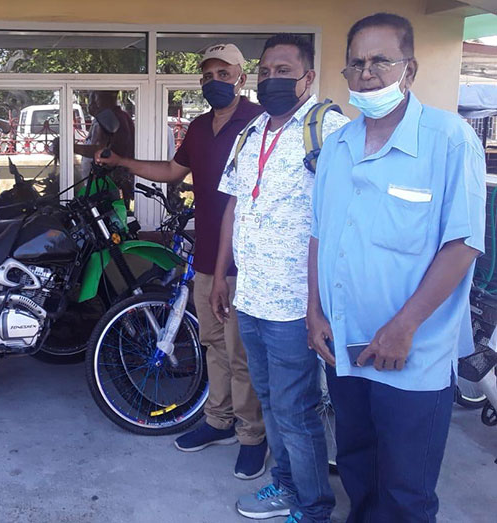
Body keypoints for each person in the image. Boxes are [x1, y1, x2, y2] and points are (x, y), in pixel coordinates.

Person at [308, 13, 485, 522]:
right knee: (359, 469)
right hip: (345, 347)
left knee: (406, 491)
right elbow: (321, 233)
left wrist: (403, 327)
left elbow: (463, 244)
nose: (367, 73)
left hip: (413, 356)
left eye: (381, 61)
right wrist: (313, 312)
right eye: (356, 64)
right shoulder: (337, 146)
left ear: (409, 68)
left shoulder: (448, 139)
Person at [96, 44, 268, 480]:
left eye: (223, 73)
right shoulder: (197, 127)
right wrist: (121, 161)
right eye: (208, 74)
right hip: (207, 253)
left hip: (246, 260)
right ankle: (217, 422)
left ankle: (253, 436)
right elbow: (173, 172)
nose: (215, 81)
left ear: (241, 77)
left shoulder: (260, 124)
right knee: (212, 343)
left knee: (241, 352)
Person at [211, 34, 349, 523]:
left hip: (295, 305)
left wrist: (317, 307)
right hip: (251, 296)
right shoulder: (251, 133)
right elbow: (234, 202)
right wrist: (223, 273)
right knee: (271, 402)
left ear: (307, 78)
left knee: (297, 410)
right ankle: (286, 485)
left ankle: (313, 508)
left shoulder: (330, 131)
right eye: (267, 71)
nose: (273, 79)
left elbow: (340, 221)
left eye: (285, 71)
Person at [75, 90, 135, 206]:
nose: (91, 104)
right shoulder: (123, 116)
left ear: (102, 99)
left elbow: (98, 150)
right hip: (118, 178)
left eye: (94, 98)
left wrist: (70, 147)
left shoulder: (109, 119)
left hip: (108, 181)